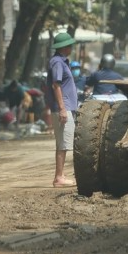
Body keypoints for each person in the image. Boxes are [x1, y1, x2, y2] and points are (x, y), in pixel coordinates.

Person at [47, 31, 78, 187]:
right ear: (64, 47)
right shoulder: (58, 62)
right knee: (63, 143)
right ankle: (59, 177)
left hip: (66, 105)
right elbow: (56, 85)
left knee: (64, 142)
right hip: (62, 106)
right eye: (69, 45)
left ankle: (61, 174)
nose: (71, 47)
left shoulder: (62, 61)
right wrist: (62, 108)